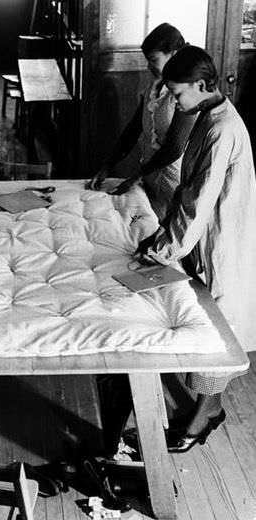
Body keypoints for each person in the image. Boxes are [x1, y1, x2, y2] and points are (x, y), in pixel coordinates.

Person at [137, 45, 256, 451]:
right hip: (210, 231)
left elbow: (198, 202)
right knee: (206, 318)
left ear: (203, 85)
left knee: (214, 328)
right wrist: (163, 237)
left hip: (223, 236)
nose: (175, 100)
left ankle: (204, 415)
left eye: (179, 93)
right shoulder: (208, 116)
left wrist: (164, 249)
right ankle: (208, 408)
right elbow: (187, 193)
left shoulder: (222, 128)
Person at [88, 23, 195, 220]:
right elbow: (132, 130)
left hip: (176, 182)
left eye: (153, 60)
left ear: (173, 54)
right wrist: (107, 165)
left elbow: (175, 148)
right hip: (150, 177)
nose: (149, 67)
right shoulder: (153, 90)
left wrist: (136, 177)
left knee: (170, 233)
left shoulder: (186, 94)